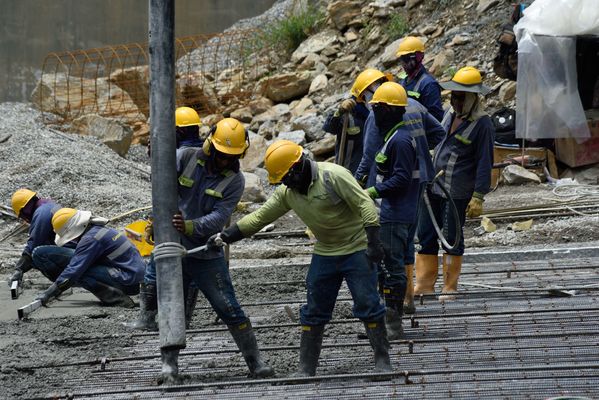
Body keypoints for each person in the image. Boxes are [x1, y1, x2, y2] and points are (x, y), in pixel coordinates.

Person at [207, 140, 391, 377]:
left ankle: (382, 360)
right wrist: (227, 235)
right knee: (314, 309)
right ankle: (306, 369)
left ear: (298, 167)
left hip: (357, 247)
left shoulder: (333, 176)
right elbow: (260, 217)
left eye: (286, 177)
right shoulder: (288, 192)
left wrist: (373, 241)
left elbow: (364, 203)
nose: (285, 183)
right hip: (326, 251)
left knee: (368, 304)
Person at [128, 117, 274, 379]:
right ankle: (169, 367)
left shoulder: (235, 181)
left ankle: (256, 363)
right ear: (210, 146)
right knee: (173, 307)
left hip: (205, 253)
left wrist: (190, 226)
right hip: (172, 248)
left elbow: (220, 217)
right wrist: (156, 218)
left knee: (228, 306)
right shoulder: (185, 157)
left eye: (231, 157)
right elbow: (159, 186)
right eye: (221, 155)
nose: (225, 161)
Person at [353, 68, 445, 314]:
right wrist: (421, 154)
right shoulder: (413, 104)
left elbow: (370, 154)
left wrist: (359, 183)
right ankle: (407, 300)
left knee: (393, 246)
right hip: (419, 179)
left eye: (366, 99)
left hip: (392, 188)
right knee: (406, 242)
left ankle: (399, 305)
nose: (368, 106)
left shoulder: (382, 117)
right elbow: (439, 132)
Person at [415, 66, 495, 302]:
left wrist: (479, 195)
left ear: (473, 98)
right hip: (432, 188)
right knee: (426, 235)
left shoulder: (483, 124)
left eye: (461, 97)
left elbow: (484, 162)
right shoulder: (449, 114)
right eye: (453, 95)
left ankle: (449, 287)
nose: (456, 101)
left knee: (451, 238)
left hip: (456, 192)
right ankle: (425, 285)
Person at [364, 82, 420, 340]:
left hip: (395, 215)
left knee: (391, 269)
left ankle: (392, 325)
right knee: (385, 268)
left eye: (377, 108)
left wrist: (372, 192)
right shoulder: (395, 138)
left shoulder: (400, 141)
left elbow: (401, 179)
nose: (374, 112)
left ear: (386, 110)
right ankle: (384, 323)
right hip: (391, 213)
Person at [33, 208, 145, 307]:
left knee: (80, 271)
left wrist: (49, 293)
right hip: (134, 278)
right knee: (78, 268)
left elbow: (74, 270)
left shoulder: (91, 239)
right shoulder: (97, 230)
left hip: (128, 280)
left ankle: (118, 300)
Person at [7, 189, 64, 287]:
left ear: (25, 210)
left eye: (22, 215)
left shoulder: (41, 213)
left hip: (70, 251)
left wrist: (19, 269)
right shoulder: (48, 204)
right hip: (71, 247)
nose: (24, 219)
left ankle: (62, 282)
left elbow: (34, 243)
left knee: (38, 254)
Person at [322, 73, 373, 174]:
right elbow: (329, 127)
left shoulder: (378, 113)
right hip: (348, 172)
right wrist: (339, 111)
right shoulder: (348, 114)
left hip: (370, 170)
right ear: (361, 95)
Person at [397, 36, 444, 122]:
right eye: (401, 58)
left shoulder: (429, 84)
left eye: (405, 59)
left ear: (418, 57)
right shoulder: (404, 81)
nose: (403, 63)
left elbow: (436, 118)